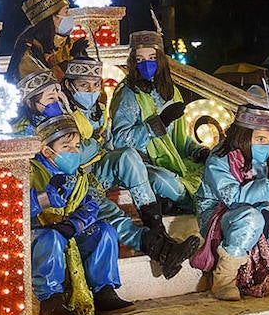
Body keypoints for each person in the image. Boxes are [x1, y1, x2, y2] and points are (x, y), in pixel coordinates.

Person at [60, 36, 199, 278]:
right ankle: (163, 249)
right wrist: (157, 124)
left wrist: (197, 149)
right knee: (116, 214)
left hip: (105, 170)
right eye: (84, 86)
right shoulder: (65, 114)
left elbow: (115, 145)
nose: (92, 92)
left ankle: (158, 232)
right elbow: (75, 155)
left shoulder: (98, 110)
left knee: (127, 158)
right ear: (70, 86)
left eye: (96, 85)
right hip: (75, 181)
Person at [191, 105, 269, 300]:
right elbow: (232, 197)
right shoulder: (220, 158)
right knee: (251, 217)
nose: (266, 144)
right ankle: (224, 279)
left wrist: (268, 208)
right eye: (260, 139)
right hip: (218, 213)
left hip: (259, 210)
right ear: (244, 135)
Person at [28, 113, 134, 315]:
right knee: (52, 238)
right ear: (47, 151)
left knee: (104, 231)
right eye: (66, 147)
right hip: (37, 233)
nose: (74, 152)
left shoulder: (78, 175)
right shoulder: (29, 171)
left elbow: (90, 205)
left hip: (70, 229)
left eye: (77, 146)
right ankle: (50, 300)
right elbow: (17, 205)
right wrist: (45, 198)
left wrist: (74, 223)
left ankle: (104, 291)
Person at [107, 29, 203, 212]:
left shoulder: (171, 91)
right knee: (164, 181)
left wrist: (197, 151)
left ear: (160, 60)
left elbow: (178, 139)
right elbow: (120, 140)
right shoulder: (128, 93)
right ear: (133, 62)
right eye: (140, 60)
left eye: (151, 58)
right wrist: (158, 124)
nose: (146, 64)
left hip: (175, 160)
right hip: (141, 164)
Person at [5, 0, 73, 83]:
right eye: (66, 11)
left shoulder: (68, 42)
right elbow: (40, 83)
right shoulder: (29, 46)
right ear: (51, 17)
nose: (70, 16)